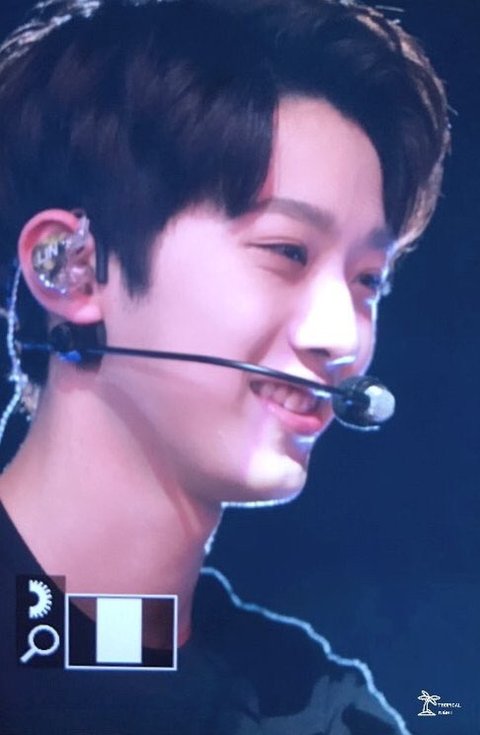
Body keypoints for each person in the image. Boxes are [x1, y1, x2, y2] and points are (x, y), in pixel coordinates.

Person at [0, 0, 449, 733]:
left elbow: (100, 660)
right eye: (287, 252)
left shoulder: (318, 708)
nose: (342, 338)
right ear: (72, 267)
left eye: (369, 280)